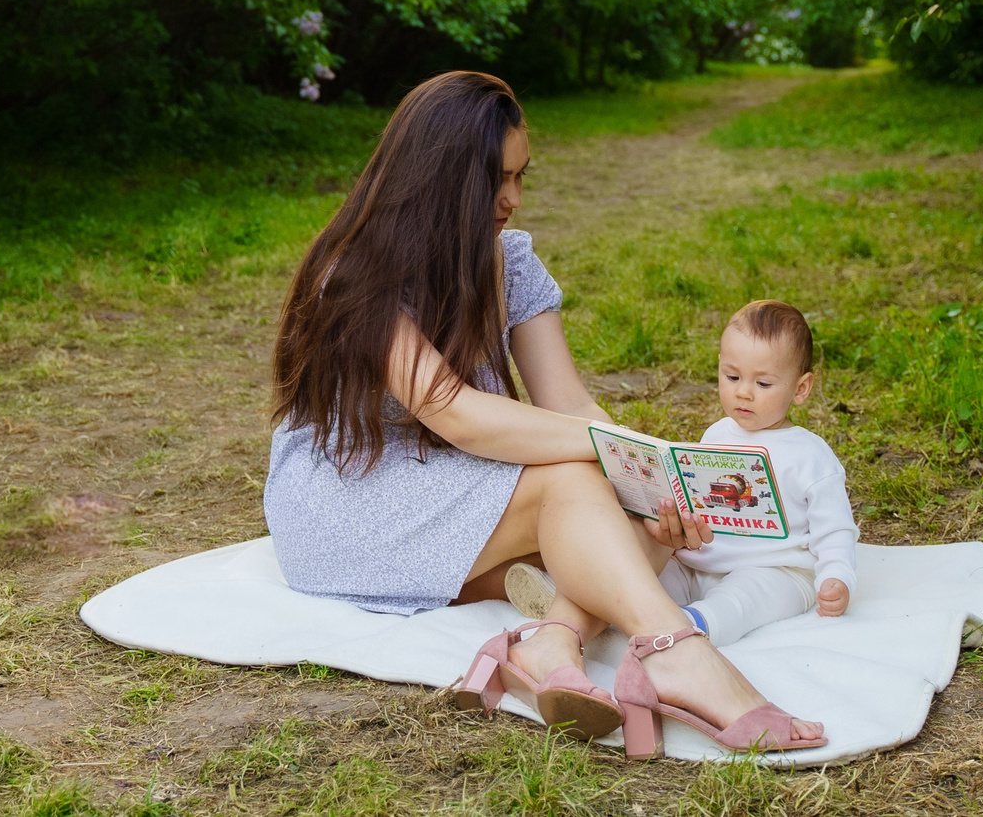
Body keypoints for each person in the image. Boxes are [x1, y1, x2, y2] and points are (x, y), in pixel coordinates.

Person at [263, 71, 823, 757]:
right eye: (496, 180)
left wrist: (648, 477)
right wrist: (618, 449)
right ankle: (677, 652)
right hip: (345, 504)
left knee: (628, 510)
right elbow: (456, 412)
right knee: (579, 484)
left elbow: (571, 404)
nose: (513, 199)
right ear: (440, 179)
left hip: (446, 473)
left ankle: (552, 640)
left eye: (523, 176)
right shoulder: (356, 274)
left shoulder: (510, 262)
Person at [518, 300, 858, 646]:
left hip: (775, 569)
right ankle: (586, 602)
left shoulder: (811, 455)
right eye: (732, 376)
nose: (743, 391)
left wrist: (836, 575)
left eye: (763, 384)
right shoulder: (716, 435)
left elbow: (835, 527)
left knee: (744, 599)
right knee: (640, 576)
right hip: (700, 560)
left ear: (800, 389)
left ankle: (692, 627)